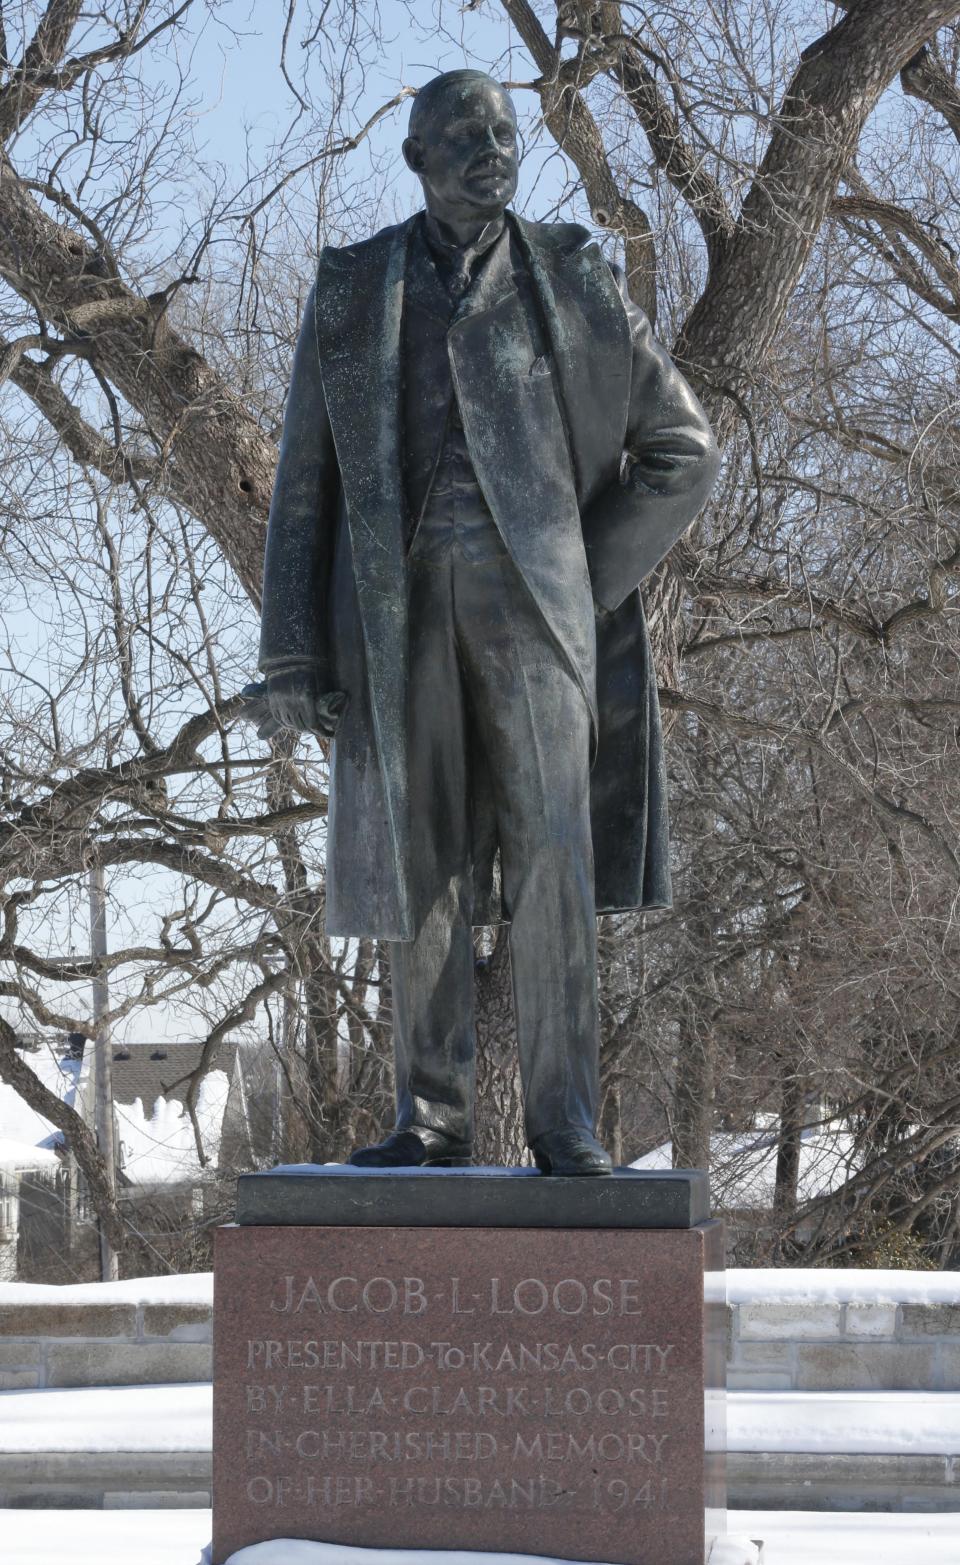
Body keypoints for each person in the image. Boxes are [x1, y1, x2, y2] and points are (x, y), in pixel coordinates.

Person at [257, 70, 720, 1175]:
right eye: (465, 135)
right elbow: (303, 483)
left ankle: (567, 1121)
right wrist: (289, 652)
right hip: (396, 612)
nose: (492, 149)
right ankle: (434, 1114)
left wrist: (576, 571)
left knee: (554, 858)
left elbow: (683, 448)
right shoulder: (356, 287)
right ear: (417, 157)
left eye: (505, 132)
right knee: (417, 863)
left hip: (537, 618)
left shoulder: (573, 279)